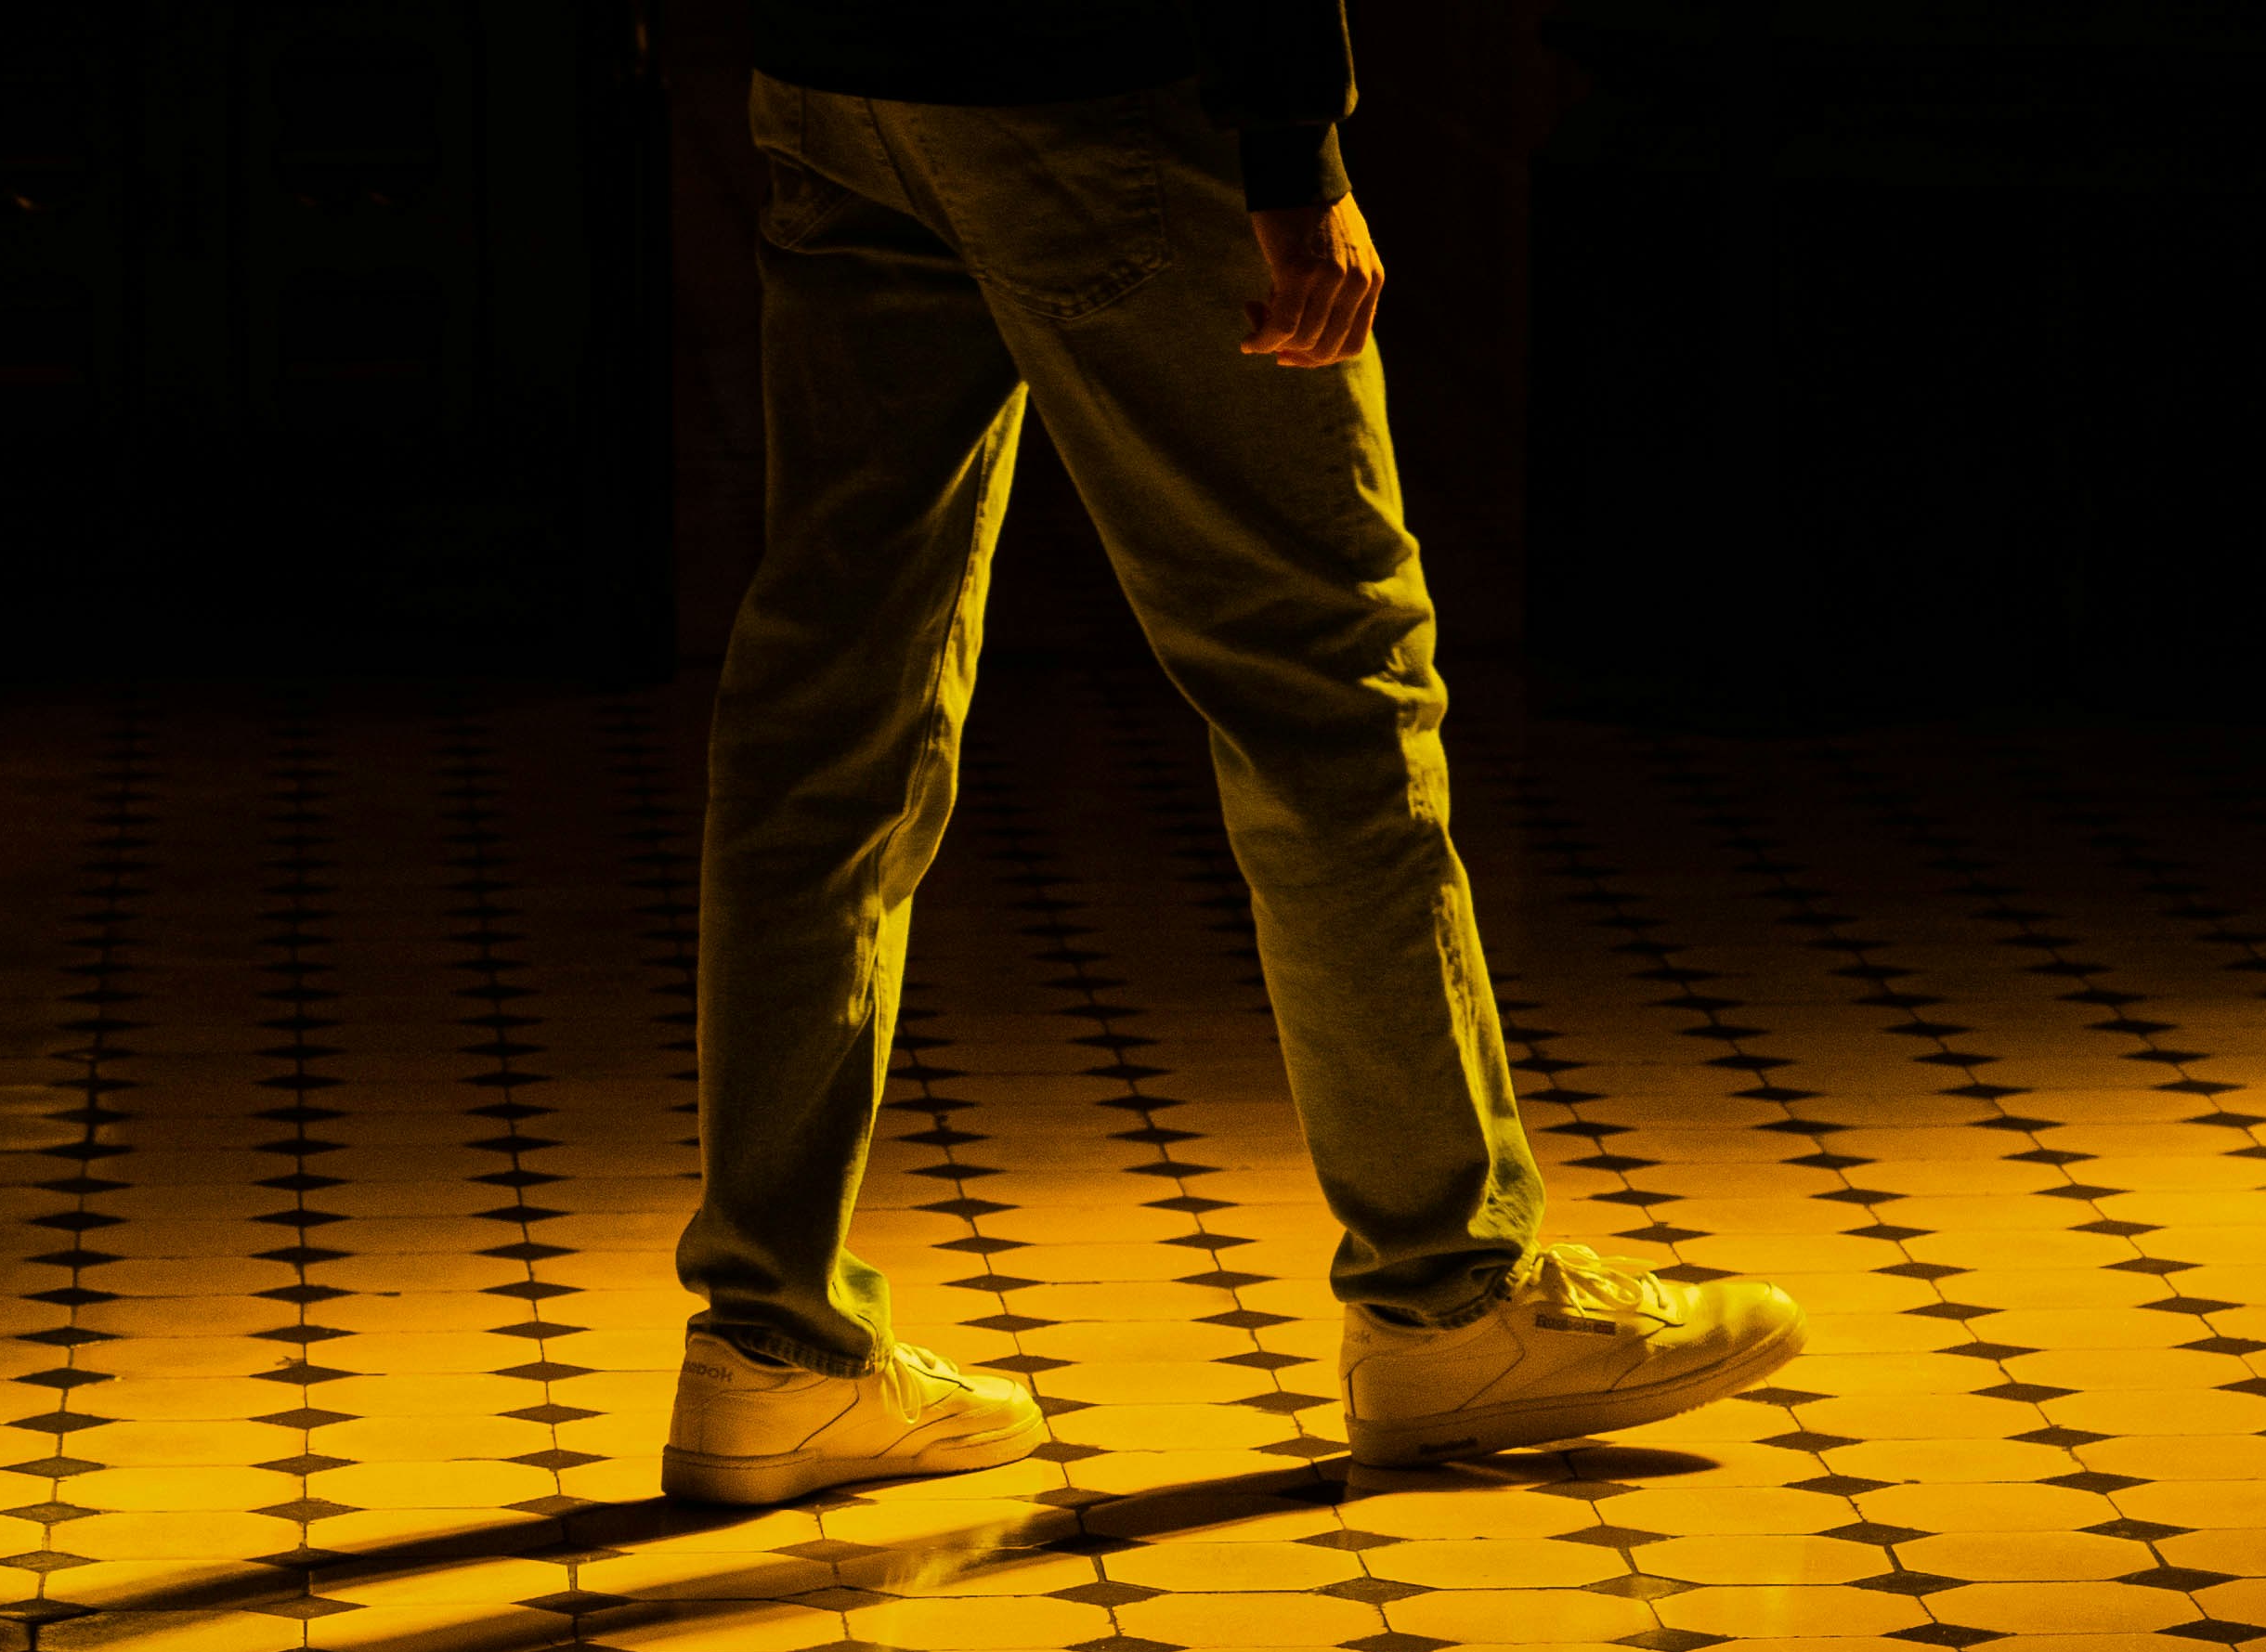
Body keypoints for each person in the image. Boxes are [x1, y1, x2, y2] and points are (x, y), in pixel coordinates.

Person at [659, 0, 1804, 1505]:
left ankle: (768, 1345)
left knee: (829, 700)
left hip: (834, 74)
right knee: (1325, 677)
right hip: (1103, 85)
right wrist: (1295, 147)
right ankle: (1446, 1295)